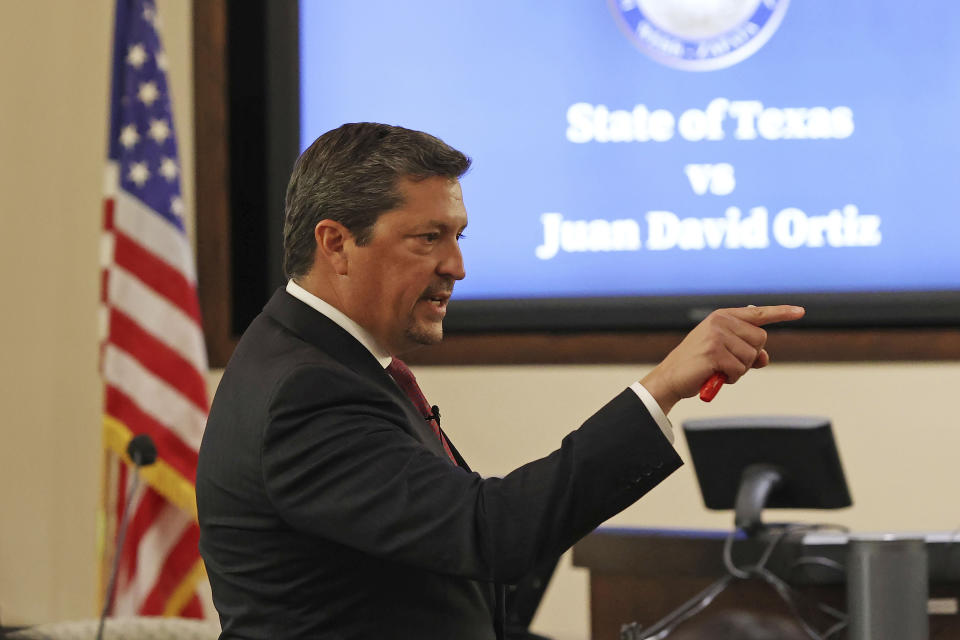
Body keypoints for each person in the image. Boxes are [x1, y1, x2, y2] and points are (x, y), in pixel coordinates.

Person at [196, 122, 805, 639]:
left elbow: (434, 586)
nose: (456, 267)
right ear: (335, 243)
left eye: (458, 237)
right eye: (428, 238)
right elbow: (491, 533)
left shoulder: (314, 357)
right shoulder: (307, 392)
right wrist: (665, 384)